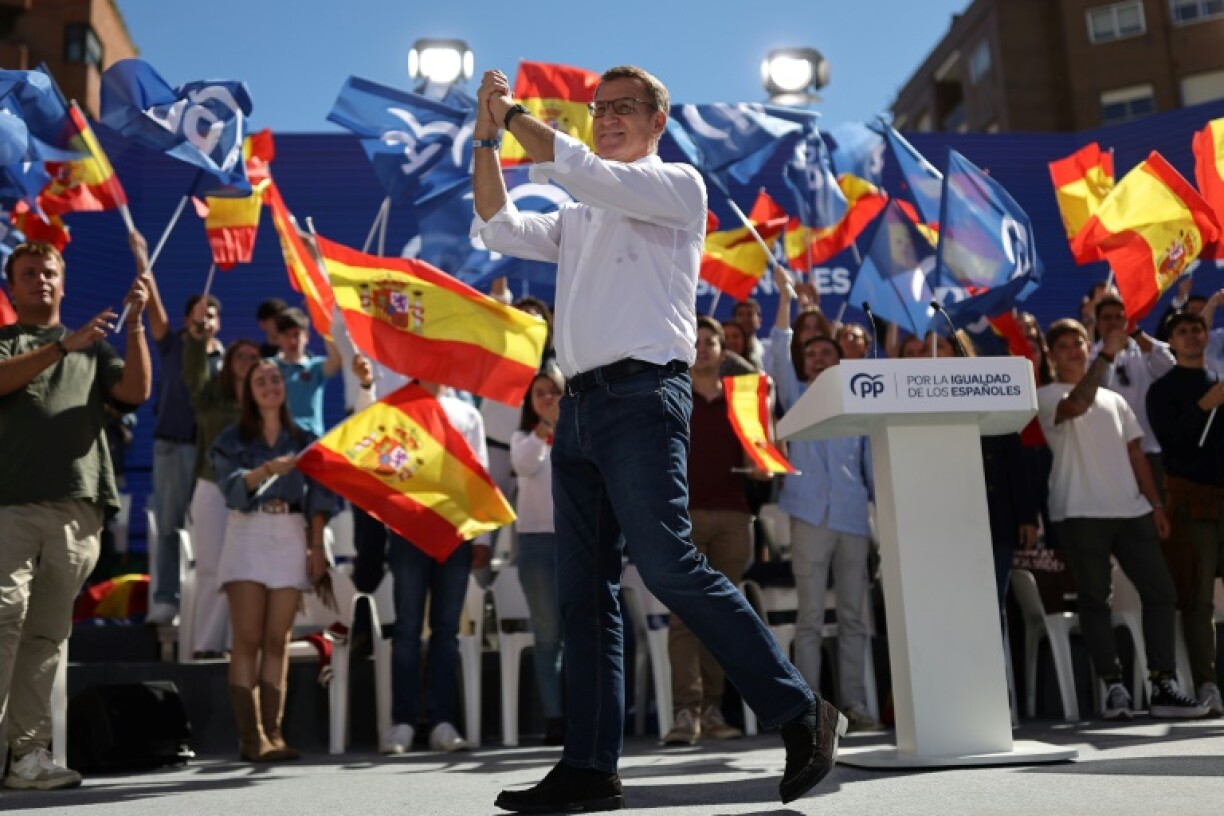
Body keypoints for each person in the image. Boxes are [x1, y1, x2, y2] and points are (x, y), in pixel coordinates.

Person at [474, 64, 842, 813]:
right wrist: (485, 139)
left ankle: (799, 709)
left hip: (644, 397)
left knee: (670, 563)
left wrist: (510, 117)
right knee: (586, 595)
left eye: (622, 108)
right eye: (598, 108)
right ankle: (589, 766)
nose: (606, 118)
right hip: (577, 411)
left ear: (656, 122)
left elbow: (573, 165)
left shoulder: (678, 187)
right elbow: (497, 225)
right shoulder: (579, 217)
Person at [0, 235, 152, 789]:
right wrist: (63, 348)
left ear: (63, 284)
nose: (42, 279)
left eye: (50, 273)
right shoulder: (10, 341)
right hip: (8, 506)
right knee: (1, 615)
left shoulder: (93, 348)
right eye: (30, 273)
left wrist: (135, 324)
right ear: (11, 288)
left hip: (75, 509)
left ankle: (27, 757)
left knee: (45, 636)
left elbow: (134, 390)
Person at [1037, 319, 1207, 720]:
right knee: (1097, 599)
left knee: (1162, 592)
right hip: (1079, 511)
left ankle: (1163, 684)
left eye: (1078, 342)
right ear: (1051, 356)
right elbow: (1077, 404)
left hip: (1131, 511)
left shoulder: (1116, 400)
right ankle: (1114, 685)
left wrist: (1156, 505)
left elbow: (1135, 456)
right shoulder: (1045, 396)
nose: (1073, 351)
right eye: (1063, 346)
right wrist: (1108, 355)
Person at [767, 275, 878, 732]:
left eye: (825, 351)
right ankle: (810, 714)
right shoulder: (794, 396)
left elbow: (871, 466)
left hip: (852, 517)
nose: (817, 356)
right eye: (810, 353)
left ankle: (854, 705)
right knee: (810, 619)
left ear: (841, 359)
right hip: (809, 515)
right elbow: (777, 348)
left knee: (853, 617)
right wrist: (784, 299)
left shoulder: (858, 403)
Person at [211, 360, 337, 761]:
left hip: (290, 532)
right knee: (247, 637)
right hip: (247, 529)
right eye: (260, 381)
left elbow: (320, 498)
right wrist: (266, 469)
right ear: (248, 392)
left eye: (275, 379)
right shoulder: (231, 438)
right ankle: (252, 739)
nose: (270, 386)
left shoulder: (305, 437)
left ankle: (274, 734)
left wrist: (316, 546)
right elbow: (230, 490)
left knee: (277, 639)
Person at [664, 316, 770, 744]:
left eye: (711, 341)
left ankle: (712, 711)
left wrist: (765, 468)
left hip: (732, 515)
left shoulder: (740, 398)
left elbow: (764, 451)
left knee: (722, 617)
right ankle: (685, 712)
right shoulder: (671, 395)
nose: (703, 347)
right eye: (696, 341)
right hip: (681, 517)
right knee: (684, 617)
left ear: (724, 350)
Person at [380, 379, 492, 755]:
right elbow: (384, 469)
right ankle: (403, 723)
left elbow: (481, 475)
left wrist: (483, 539)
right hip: (408, 533)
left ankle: (443, 721)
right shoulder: (397, 409)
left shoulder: (468, 413)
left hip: (455, 534)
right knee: (408, 628)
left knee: (447, 629)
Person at [1145, 312, 1224, 716]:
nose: (1193, 336)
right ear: (1171, 342)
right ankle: (1208, 684)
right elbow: (1175, 442)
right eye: (1183, 331)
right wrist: (1204, 405)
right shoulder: (1162, 390)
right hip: (1194, 502)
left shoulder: (1219, 381)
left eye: (1198, 329)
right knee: (1199, 598)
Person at [183, 294, 264, 657]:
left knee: (246, 571)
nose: (248, 362)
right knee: (212, 570)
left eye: (254, 357)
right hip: (212, 490)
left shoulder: (268, 403)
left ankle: (239, 645)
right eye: (241, 356)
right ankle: (206, 646)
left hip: (251, 494)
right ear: (229, 362)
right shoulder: (209, 397)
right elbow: (193, 371)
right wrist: (198, 336)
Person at [146, 292, 224, 625]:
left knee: (209, 528)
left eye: (210, 316)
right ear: (185, 322)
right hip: (173, 446)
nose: (204, 321)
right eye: (198, 315)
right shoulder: (172, 344)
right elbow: (154, 307)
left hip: (210, 456)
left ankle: (208, 604)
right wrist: (142, 262)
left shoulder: (226, 359)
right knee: (169, 524)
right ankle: (167, 599)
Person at [510, 365, 567, 745]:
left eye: (554, 391)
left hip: (574, 541)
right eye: (539, 393)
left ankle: (584, 712)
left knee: (581, 633)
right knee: (547, 635)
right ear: (530, 403)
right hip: (535, 544)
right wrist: (545, 427)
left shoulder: (578, 433)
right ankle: (555, 717)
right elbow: (524, 464)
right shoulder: (522, 437)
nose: (547, 398)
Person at [1090, 293, 1175, 500]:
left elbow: (1170, 368)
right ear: (1097, 323)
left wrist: (1136, 333)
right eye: (1107, 318)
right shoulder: (1091, 355)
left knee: (1161, 511)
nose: (1113, 323)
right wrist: (1108, 353)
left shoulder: (1143, 348)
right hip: (1112, 452)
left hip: (1151, 448)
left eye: (1119, 317)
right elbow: (1095, 389)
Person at [271, 307, 342, 437]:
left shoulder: (315, 366)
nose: (292, 341)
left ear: (307, 337)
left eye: (296, 335)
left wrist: (323, 327)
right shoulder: (269, 367)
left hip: (310, 438)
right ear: (278, 338)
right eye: (286, 335)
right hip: (279, 438)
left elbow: (336, 362)